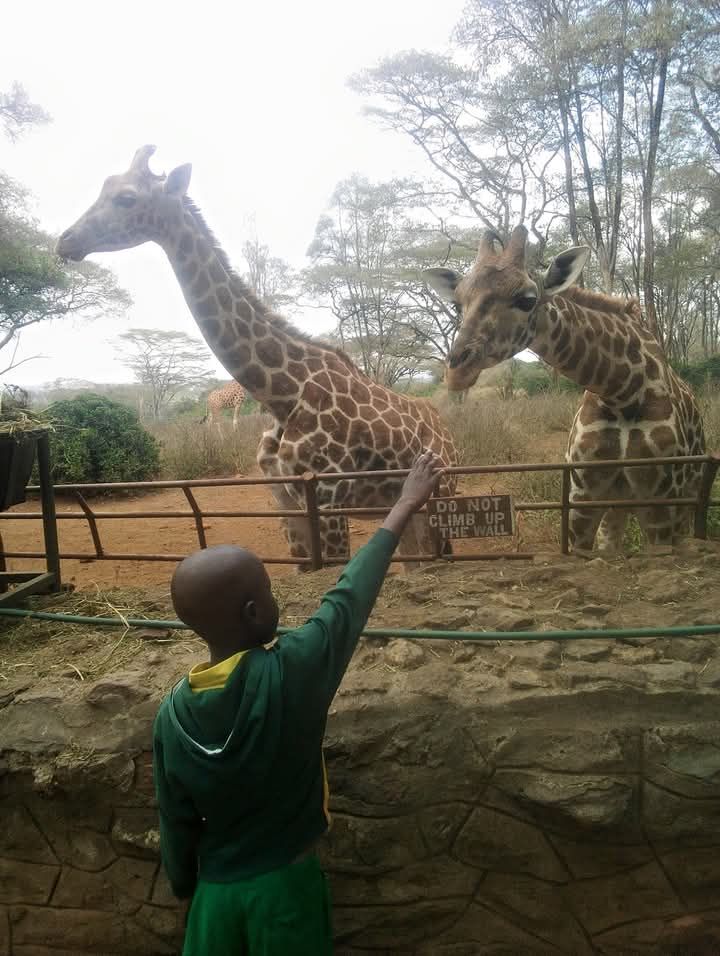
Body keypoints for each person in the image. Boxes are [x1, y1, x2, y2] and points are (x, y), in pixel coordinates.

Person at [153, 450, 445, 956]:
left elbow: (173, 817)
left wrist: (184, 887)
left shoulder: (171, 715)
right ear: (253, 612)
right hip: (285, 892)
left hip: (213, 900)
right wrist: (404, 504)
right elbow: (348, 598)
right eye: (269, 591)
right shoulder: (293, 670)